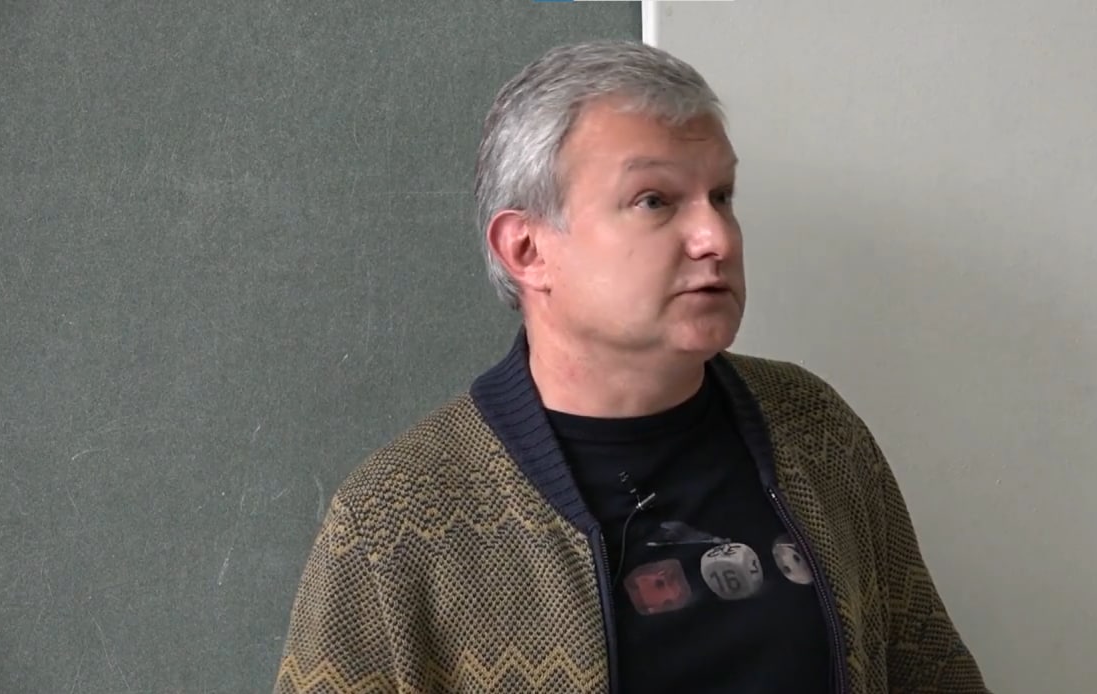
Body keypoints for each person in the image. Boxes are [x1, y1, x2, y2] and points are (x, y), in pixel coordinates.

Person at [274, 40, 990, 694]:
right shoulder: (396, 522)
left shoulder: (815, 428)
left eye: (722, 196)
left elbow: (932, 674)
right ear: (527, 250)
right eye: (655, 201)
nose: (715, 236)